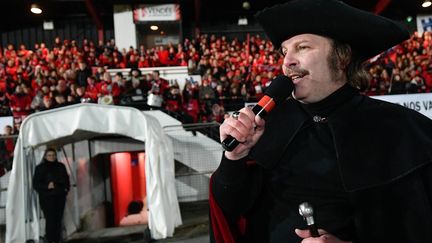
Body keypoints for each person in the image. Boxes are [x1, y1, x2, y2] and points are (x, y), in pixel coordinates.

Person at [209, 0, 432, 242]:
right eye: (284, 51)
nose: (287, 62)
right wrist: (234, 159)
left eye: (302, 47)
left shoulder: (399, 128)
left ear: (342, 57)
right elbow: (230, 210)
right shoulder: (267, 125)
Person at [33, 148, 70, 243]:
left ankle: (56, 240)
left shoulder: (61, 166)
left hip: (59, 196)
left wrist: (66, 189)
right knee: (50, 220)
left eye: (53, 155)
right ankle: (50, 240)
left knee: (58, 219)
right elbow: (36, 184)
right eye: (49, 155)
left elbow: (66, 179)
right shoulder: (40, 168)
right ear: (45, 156)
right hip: (47, 198)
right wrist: (47, 186)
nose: (52, 157)